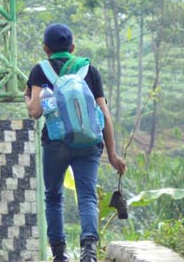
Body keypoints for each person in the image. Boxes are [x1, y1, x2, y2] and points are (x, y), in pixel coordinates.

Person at [25, 23, 127, 262]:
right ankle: (89, 251)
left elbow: (36, 111)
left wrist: (28, 97)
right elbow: (104, 113)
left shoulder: (40, 70)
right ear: (72, 47)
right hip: (89, 143)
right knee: (87, 197)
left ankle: (59, 254)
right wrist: (112, 154)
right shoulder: (89, 70)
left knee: (53, 196)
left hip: (55, 142)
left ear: (45, 48)